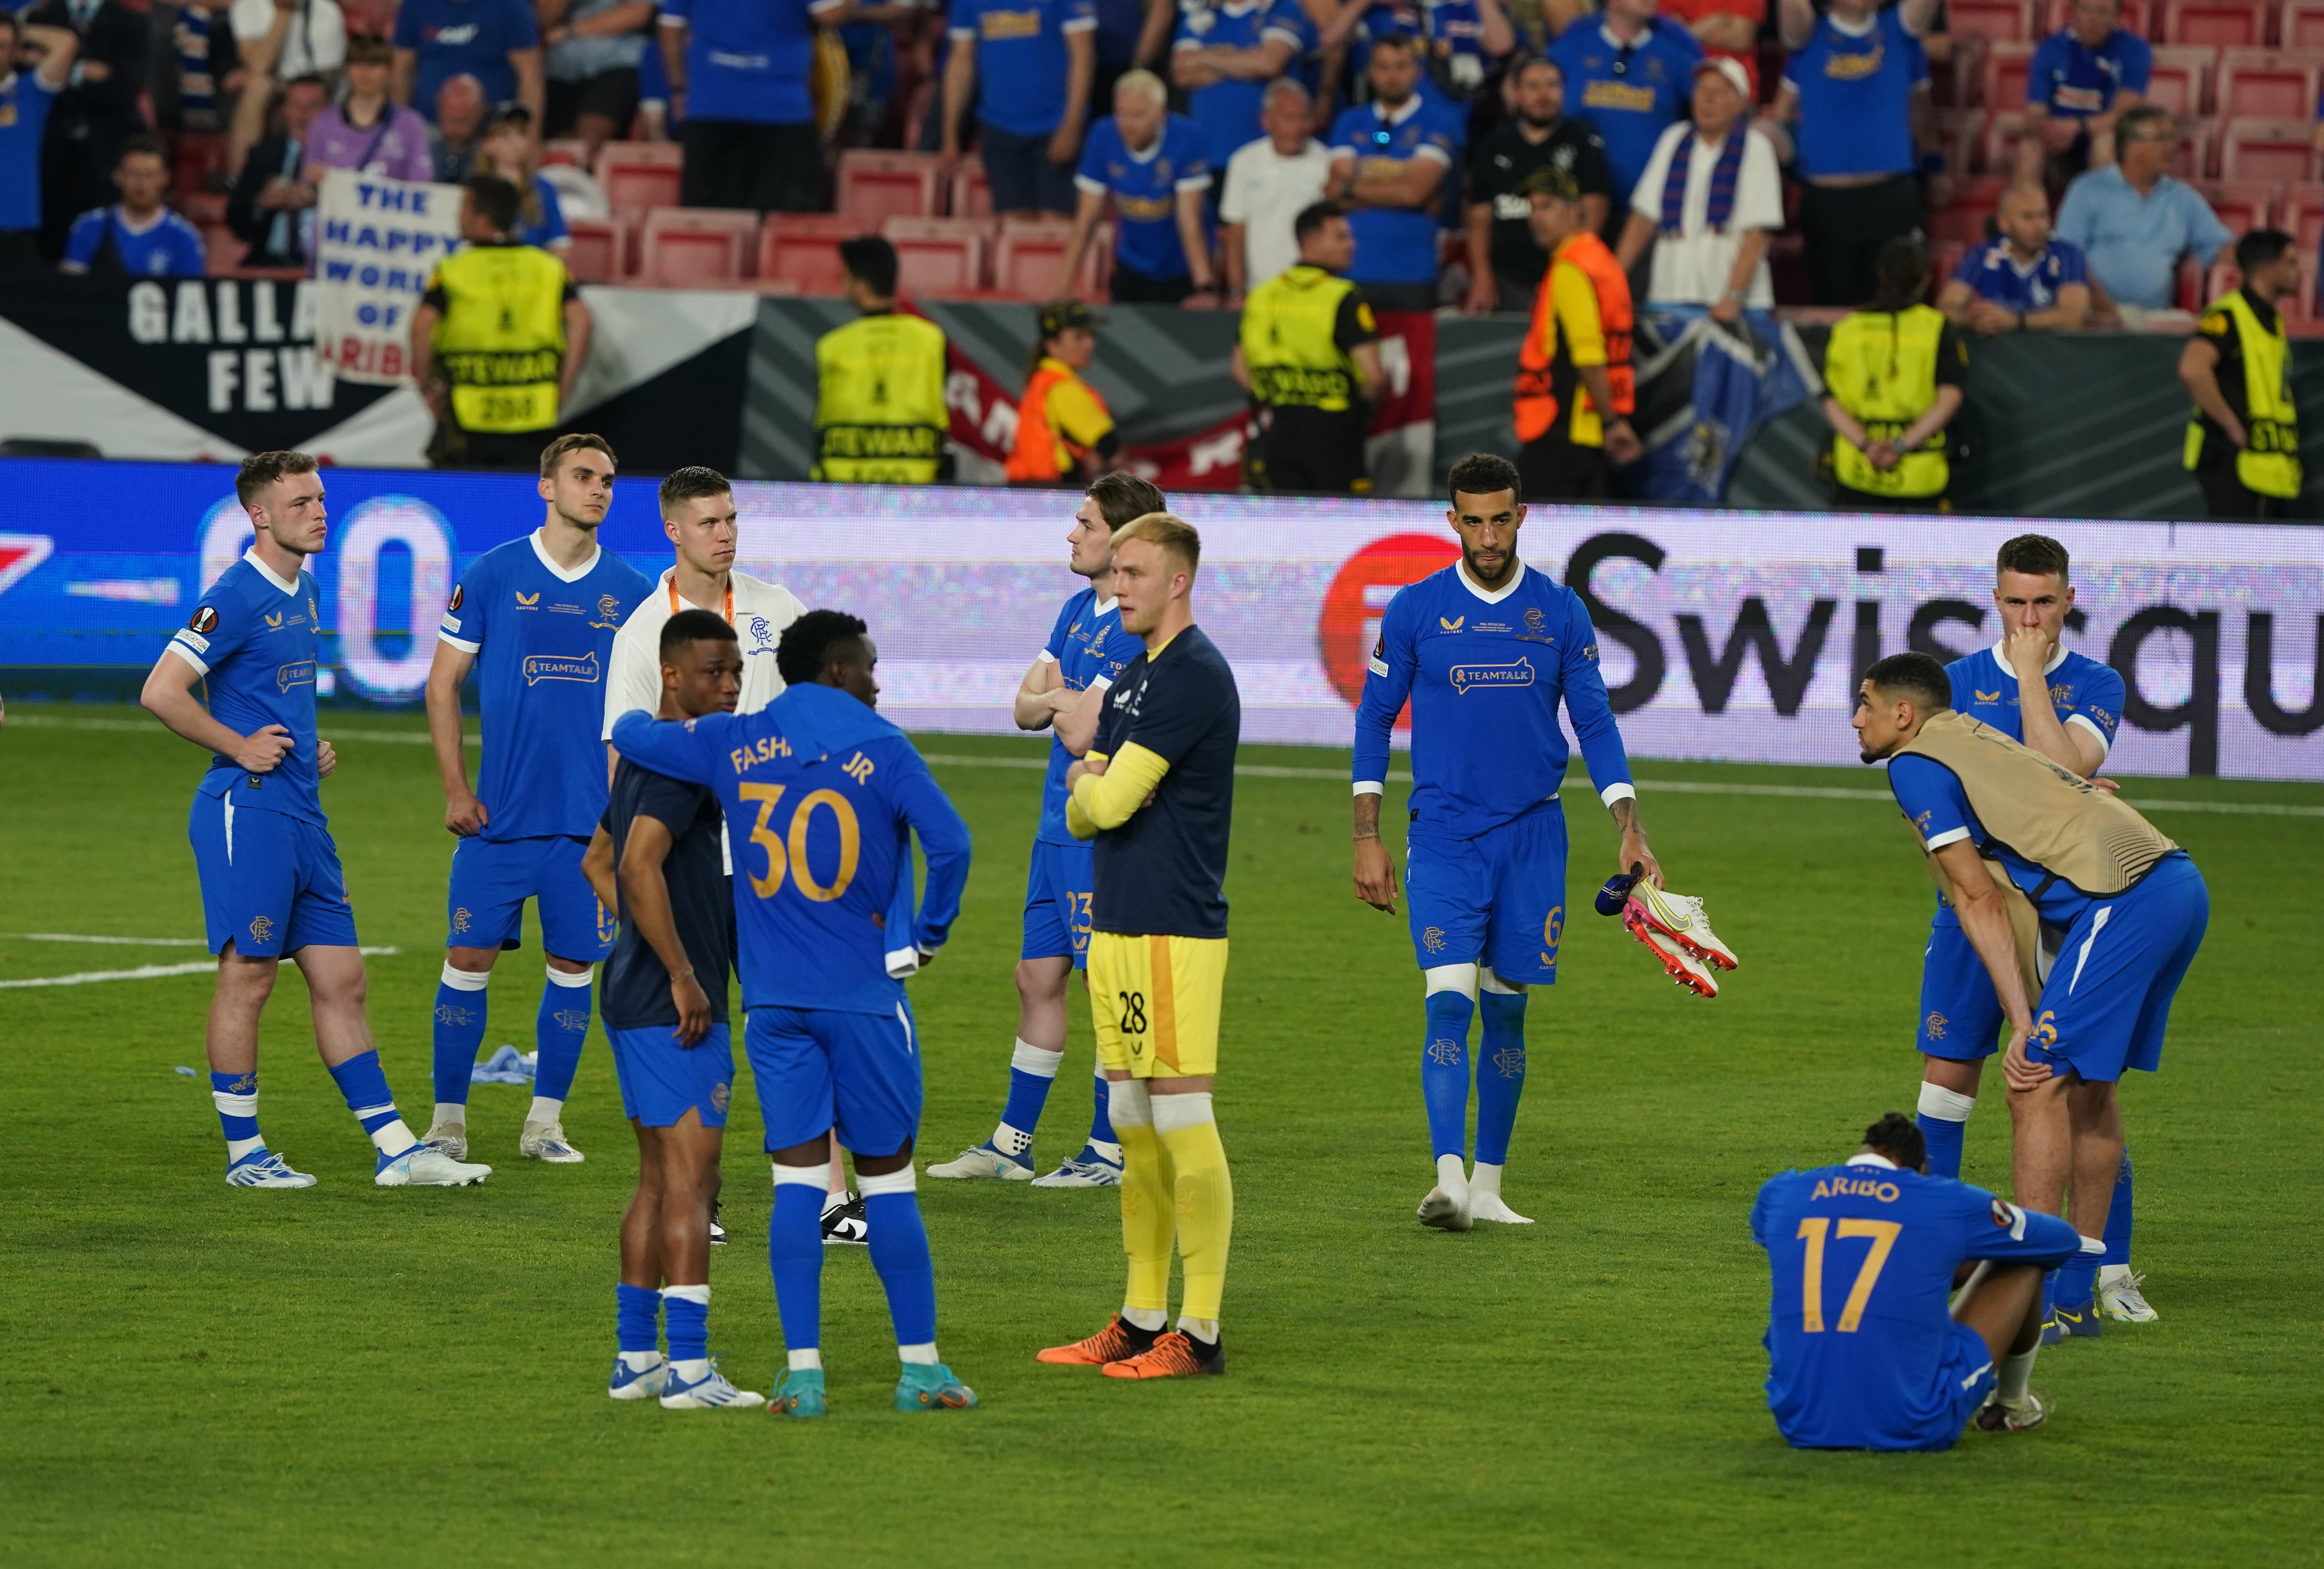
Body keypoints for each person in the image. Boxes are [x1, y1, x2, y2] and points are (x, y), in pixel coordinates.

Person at [613, 610, 980, 1419]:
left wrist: (646, 707)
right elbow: (951, 844)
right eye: (873, 666)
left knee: (795, 1188)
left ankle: (803, 1374)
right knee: (887, 1184)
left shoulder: (732, 741)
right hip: (865, 1002)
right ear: (841, 669)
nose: (880, 681)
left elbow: (633, 732)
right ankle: (919, 1369)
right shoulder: (884, 747)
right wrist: (926, 938)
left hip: (774, 1006)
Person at [137, 451, 493, 1191]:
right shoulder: (234, 594)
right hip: (248, 812)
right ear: (260, 515)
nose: (320, 512)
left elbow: (270, 694)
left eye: (322, 498)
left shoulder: (306, 586)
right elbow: (161, 690)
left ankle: (396, 1148)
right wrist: (241, 746)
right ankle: (245, 1155)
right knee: (250, 977)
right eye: (301, 502)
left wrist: (306, 747)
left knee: (344, 978)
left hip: (301, 811)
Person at [1854, 650, 2208, 1365]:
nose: (1855, 718)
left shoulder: (1915, 762)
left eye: (1865, 702)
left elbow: (1979, 898)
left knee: (2033, 1080)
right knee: (2090, 1093)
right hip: (2176, 883)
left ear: (1903, 714)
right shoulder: (1977, 738)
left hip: (2124, 902)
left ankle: (2033, 1301)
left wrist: (2022, 1021)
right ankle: (2075, 1296)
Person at [1351, 450, 1663, 1229]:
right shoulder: (1416, 608)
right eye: (1473, 520)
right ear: (1451, 521)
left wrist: (1628, 825)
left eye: (1501, 518)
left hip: (1534, 837)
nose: (1488, 535)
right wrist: (1367, 833)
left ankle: (1488, 1187)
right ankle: (1448, 1177)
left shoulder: (1558, 611)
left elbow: (1593, 720)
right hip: (1447, 835)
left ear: (1521, 516)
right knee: (1449, 1003)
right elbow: (1373, 719)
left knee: (1509, 1011)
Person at [1908, 535, 2147, 1336]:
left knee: (2084, 1086)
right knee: (1946, 1079)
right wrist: (2064, 788)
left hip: (2064, 921)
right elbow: (1939, 802)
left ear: (2067, 601)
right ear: (1995, 598)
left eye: (2043, 602)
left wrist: (2038, 685)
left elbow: (2063, 766)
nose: (2028, 616)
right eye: (2015, 601)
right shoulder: (1952, 687)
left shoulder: (2097, 681)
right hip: (1972, 910)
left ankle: (2103, 1269)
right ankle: (1941, 1254)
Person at [1036, 513, 1241, 1379]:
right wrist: (1095, 778)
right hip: (1118, 925)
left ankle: (1198, 1331)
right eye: (1115, 571)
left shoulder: (1192, 676)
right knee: (1130, 1122)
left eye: (1133, 573)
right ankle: (1139, 1311)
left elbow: (1104, 801)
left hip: (1173, 927)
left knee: (1182, 1120)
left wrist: (1089, 778)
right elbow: (1091, 771)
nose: (1116, 586)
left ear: (1178, 581)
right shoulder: (1132, 676)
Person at [420, 433, 655, 1165]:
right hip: (500, 821)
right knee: (466, 961)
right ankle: (447, 1122)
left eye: (609, 480)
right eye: (584, 476)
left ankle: (544, 1124)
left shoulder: (633, 591)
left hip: (588, 830)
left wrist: (625, 814)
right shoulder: (493, 573)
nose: (599, 490)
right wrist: (458, 788)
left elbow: (643, 715)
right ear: (546, 487)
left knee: (573, 971)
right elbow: (441, 685)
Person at [928, 472, 1163, 1189]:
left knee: (1104, 983)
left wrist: (1056, 700)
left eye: (1086, 523)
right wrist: (1059, 700)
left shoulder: (1131, 623)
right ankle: (1011, 1142)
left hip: (1099, 830)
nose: (1072, 533)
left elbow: (1083, 724)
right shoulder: (1073, 607)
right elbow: (1023, 709)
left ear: (1122, 538)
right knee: (1037, 976)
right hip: (1051, 826)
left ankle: (1111, 1149)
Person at [581, 608, 758, 1410]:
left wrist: (644, 948)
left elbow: (599, 860)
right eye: (713, 674)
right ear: (672, 677)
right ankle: (688, 1370)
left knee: (659, 1183)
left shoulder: (651, 756)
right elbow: (640, 865)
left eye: (736, 673)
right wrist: (681, 970)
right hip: (673, 1005)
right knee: (692, 1183)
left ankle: (635, 1360)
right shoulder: (682, 764)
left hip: (634, 993)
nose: (728, 686)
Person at [1750, 1112, 2088, 1447]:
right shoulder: (1942, 1200)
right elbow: (2062, 1241)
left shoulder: (1781, 1192)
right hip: (1913, 1422)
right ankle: (2011, 1406)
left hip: (1798, 1421)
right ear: (1921, 1171)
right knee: (2024, 1256)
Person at [410, 175, 593, 471]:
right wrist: (564, 386)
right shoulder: (548, 267)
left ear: (482, 219)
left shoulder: (453, 269)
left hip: (467, 414)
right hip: (534, 413)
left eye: (464, 208)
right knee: (522, 509)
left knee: (465, 507)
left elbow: (421, 327)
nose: (459, 216)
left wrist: (425, 385)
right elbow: (582, 322)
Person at [1774, 0, 1936, 307]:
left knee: (1898, 307)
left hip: (1890, 196)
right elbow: (1783, 110)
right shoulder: (1808, 37)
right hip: (1827, 203)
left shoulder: (1898, 32)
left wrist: (1933, 161)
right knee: (1833, 308)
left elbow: (1920, 111)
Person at [1613, 57, 1779, 331]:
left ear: (1740, 102)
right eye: (1702, 91)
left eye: (1720, 93)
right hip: (1670, 294)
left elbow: (1757, 233)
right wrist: (1613, 282)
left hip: (1735, 303)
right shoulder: (1673, 139)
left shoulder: (1755, 148)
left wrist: (1733, 297)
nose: (1707, 100)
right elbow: (1642, 219)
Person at [1232, 200, 1384, 495]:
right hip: (1335, 437)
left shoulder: (1261, 295)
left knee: (1286, 528)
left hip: (1280, 432)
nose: (1351, 245)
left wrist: (1277, 393)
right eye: (1341, 237)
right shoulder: (1342, 296)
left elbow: (1238, 367)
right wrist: (1362, 409)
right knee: (1340, 530)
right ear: (1311, 241)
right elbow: (1374, 377)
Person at [1512, 166, 1640, 500]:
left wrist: (1612, 423)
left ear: (1575, 211)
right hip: (1589, 430)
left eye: (1547, 206)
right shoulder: (1603, 262)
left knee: (1529, 541)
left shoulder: (1571, 267)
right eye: (1533, 208)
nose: (1536, 218)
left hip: (1559, 427)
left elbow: (1588, 355)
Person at [1820, 235, 1966, 510]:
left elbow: (1830, 401)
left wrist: (1867, 447)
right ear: (1925, 279)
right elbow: (1949, 400)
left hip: (1856, 471)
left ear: (1882, 274)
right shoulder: (1936, 327)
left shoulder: (1847, 329)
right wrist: (1899, 446)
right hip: (1921, 474)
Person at [1464, 55, 1613, 315]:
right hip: (1508, 279)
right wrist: (1482, 276)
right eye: (1534, 87)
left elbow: (1594, 211)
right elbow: (1479, 219)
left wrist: (1573, 271)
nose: (1544, 95)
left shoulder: (1582, 140)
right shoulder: (1494, 146)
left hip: (1567, 274)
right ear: (1516, 93)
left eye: (1552, 86)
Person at [1325, 33, 1464, 313]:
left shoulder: (1439, 121)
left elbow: (1414, 193)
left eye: (1401, 67)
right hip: (1353, 269)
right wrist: (1401, 180)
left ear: (1416, 71)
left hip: (1412, 271)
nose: (1392, 76)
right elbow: (1332, 193)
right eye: (1384, 67)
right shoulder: (1350, 121)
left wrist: (1353, 187)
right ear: (1371, 72)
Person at [660, 0, 836, 213]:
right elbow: (832, 14)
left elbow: (670, 30)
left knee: (711, 223)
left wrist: (680, 88)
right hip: (781, 112)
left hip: (710, 105)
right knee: (778, 224)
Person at [2053, 106, 2231, 314]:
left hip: (2155, 321)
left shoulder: (2183, 198)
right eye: (2161, 139)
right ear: (2131, 145)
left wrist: (2255, 259)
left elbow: (2219, 246)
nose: (2171, 147)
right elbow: (2067, 253)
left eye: (2172, 138)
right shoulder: (2088, 190)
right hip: (2093, 317)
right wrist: (2102, 306)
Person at [1058, 69, 1214, 305]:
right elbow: (1086, 220)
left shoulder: (1187, 137)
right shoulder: (1103, 134)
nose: (1128, 125)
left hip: (1183, 267)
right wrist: (1062, 289)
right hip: (1133, 263)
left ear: (1161, 114)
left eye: (1139, 116)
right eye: (1122, 114)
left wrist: (1205, 288)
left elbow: (1190, 222)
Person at [2179, 228, 2303, 521]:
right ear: (2267, 267)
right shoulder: (2228, 314)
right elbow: (2192, 368)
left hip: (2263, 461)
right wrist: (2231, 426)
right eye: (2291, 262)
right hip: (2229, 459)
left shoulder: (2270, 317)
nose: (2299, 271)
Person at [810, 236, 951, 484]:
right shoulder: (932, 340)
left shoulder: (832, 346)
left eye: (845, 277)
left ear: (861, 286)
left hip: (845, 489)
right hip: (916, 485)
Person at [940, 0, 1097, 221]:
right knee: (1012, 227)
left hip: (1055, 125)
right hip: (999, 126)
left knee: (1056, 228)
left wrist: (1072, 125)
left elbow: (1083, 56)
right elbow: (960, 61)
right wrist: (950, 134)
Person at [1547, 0, 1702, 219]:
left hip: (1649, 208)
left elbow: (1713, 107)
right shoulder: (1569, 51)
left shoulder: (1676, 55)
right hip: (1576, 204)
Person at [26, 0, 147, 261]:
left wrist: (62, 69)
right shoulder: (40, 18)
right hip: (48, 151)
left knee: (104, 246)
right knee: (49, 243)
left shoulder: (132, 22)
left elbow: (123, 90)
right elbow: (27, 78)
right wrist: (87, 71)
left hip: (107, 149)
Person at [1169, 0, 1314, 185]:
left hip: (1266, 154)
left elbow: (1268, 64)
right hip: (1211, 152)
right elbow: (1181, 73)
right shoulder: (1199, 15)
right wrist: (1240, 59)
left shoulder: (1282, 8)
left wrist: (1203, 58)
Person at [1219, 77, 1333, 303]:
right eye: (1290, 118)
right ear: (1267, 121)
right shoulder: (1244, 162)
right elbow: (1235, 232)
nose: (1299, 127)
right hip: (1259, 292)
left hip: (1311, 291)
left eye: (1305, 118)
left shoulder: (1326, 162)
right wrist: (1236, 291)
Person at [2019, 0, 2148, 188]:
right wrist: (2049, 130)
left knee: (2105, 143)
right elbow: (2034, 112)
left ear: (2117, 16)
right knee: (2029, 147)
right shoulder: (2050, 49)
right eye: (2086, 10)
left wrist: (2078, 126)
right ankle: (2027, 213)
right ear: (2073, 12)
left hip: (2105, 144)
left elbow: (2124, 114)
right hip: (2060, 145)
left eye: (2103, 11)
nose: (2093, 20)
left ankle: (2102, 216)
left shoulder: (2135, 50)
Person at [1937, 184, 2092, 335]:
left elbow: (2074, 317)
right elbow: (1946, 307)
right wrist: (1972, 320)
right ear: (2004, 223)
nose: (2040, 225)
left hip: (2052, 357)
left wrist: (2014, 321)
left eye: (2043, 215)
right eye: (2028, 217)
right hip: (1998, 356)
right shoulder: (1983, 255)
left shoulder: (2068, 255)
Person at [60, 134, 207, 276]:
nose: (141, 185)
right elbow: (70, 293)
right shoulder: (89, 227)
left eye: (150, 175)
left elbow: (187, 296)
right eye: (134, 174)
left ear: (165, 178)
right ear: (118, 176)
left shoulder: (185, 238)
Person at [1008, 299, 1119, 485]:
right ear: (1053, 346)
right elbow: (1107, 442)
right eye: (1079, 337)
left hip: (1031, 490)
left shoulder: (1041, 380)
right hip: (1055, 492)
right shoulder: (1060, 387)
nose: (1090, 344)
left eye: (1091, 335)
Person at [0, 16, 79, 271]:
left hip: (15, 234)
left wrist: (22, 27)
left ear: (16, 52)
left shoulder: (30, 92)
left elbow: (66, 43)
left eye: (2, 46)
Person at [226, 75, 328, 270]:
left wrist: (320, 200)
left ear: (329, 113)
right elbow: (236, 220)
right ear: (284, 112)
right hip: (268, 262)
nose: (303, 114)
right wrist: (260, 203)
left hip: (322, 266)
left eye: (313, 106)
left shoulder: (340, 156)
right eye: (295, 105)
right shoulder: (263, 155)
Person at [306, 34, 434, 183]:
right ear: (347, 71)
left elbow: (422, 183)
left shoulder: (411, 125)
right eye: (357, 64)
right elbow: (307, 182)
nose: (365, 73)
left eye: (374, 65)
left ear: (389, 71)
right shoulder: (323, 123)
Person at [394, 0, 543, 126]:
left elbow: (529, 75)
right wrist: (398, 130)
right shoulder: (415, 5)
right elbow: (401, 70)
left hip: (493, 129)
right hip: (428, 126)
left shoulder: (511, 6)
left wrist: (528, 134)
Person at [541, 0, 651, 164]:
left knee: (590, 138)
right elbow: (540, 21)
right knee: (553, 143)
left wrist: (569, 30)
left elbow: (638, 13)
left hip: (616, 63)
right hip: (556, 67)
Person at [476, 102, 569, 252]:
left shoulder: (543, 189)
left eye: (521, 134)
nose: (516, 143)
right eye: (506, 135)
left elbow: (559, 246)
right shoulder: (476, 191)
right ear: (488, 144)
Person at [1660, 0, 1761, 97]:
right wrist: (1714, 23)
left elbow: (1741, 39)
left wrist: (1683, 33)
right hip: (1677, 84)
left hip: (1732, 87)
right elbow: (1661, 35)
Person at [230, 0, 345, 83]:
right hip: (274, 88)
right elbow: (259, 67)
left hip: (313, 87)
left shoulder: (327, 10)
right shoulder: (247, 5)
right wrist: (283, 12)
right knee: (259, 85)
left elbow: (328, 73)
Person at [430, 74, 490, 183]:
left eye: (462, 121)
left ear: (481, 113)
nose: (454, 129)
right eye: (448, 119)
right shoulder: (421, 147)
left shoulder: (493, 152)